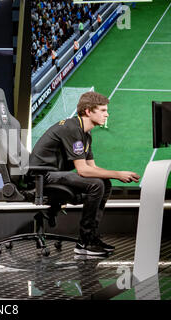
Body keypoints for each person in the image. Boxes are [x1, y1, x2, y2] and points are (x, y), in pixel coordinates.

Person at [29, 91, 140, 256]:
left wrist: (113, 175)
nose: (107, 114)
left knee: (105, 183)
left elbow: (92, 168)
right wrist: (118, 173)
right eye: (102, 110)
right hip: (41, 176)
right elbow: (83, 170)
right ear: (88, 111)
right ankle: (85, 242)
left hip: (53, 174)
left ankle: (91, 237)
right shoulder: (72, 128)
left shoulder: (85, 133)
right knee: (96, 184)